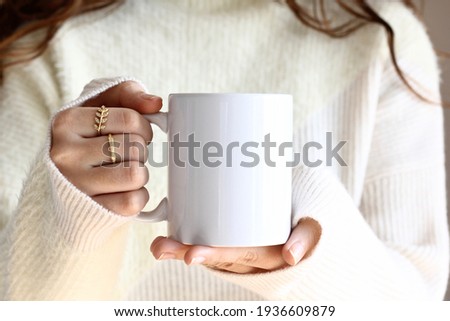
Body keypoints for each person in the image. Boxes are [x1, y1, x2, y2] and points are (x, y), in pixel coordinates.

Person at [0, 0, 448, 300]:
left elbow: (418, 303)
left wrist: (307, 263)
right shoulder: (46, 50)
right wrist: (71, 218)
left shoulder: (381, 43)